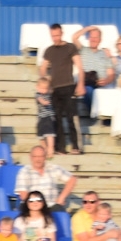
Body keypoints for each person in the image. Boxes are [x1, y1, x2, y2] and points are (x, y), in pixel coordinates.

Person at [36, 24, 84, 154]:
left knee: (70, 117)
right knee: (56, 118)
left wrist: (81, 84)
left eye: (57, 35)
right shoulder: (49, 50)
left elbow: (80, 67)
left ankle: (75, 146)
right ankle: (60, 147)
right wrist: (45, 80)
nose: (55, 38)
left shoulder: (70, 47)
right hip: (54, 89)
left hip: (68, 86)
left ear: (62, 33)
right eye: (53, 36)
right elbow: (43, 68)